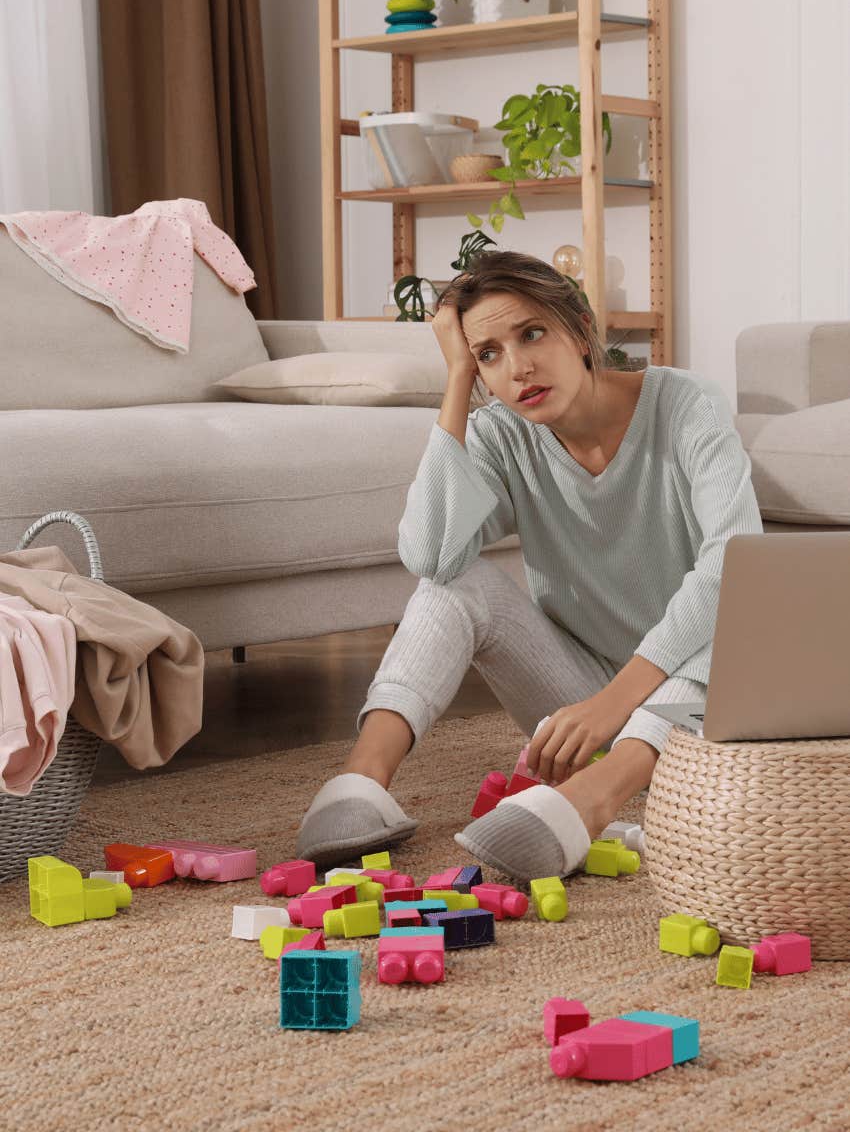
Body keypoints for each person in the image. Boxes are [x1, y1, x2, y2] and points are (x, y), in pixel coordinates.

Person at [296, 250, 763, 882]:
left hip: (693, 704)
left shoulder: (685, 406)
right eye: (489, 354)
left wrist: (612, 703)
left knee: (734, 605)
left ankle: (591, 802)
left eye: (532, 334)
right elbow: (431, 556)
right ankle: (362, 780)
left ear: (579, 325)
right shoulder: (502, 436)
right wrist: (458, 381)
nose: (517, 368)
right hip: (577, 712)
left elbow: (733, 566)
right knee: (456, 583)